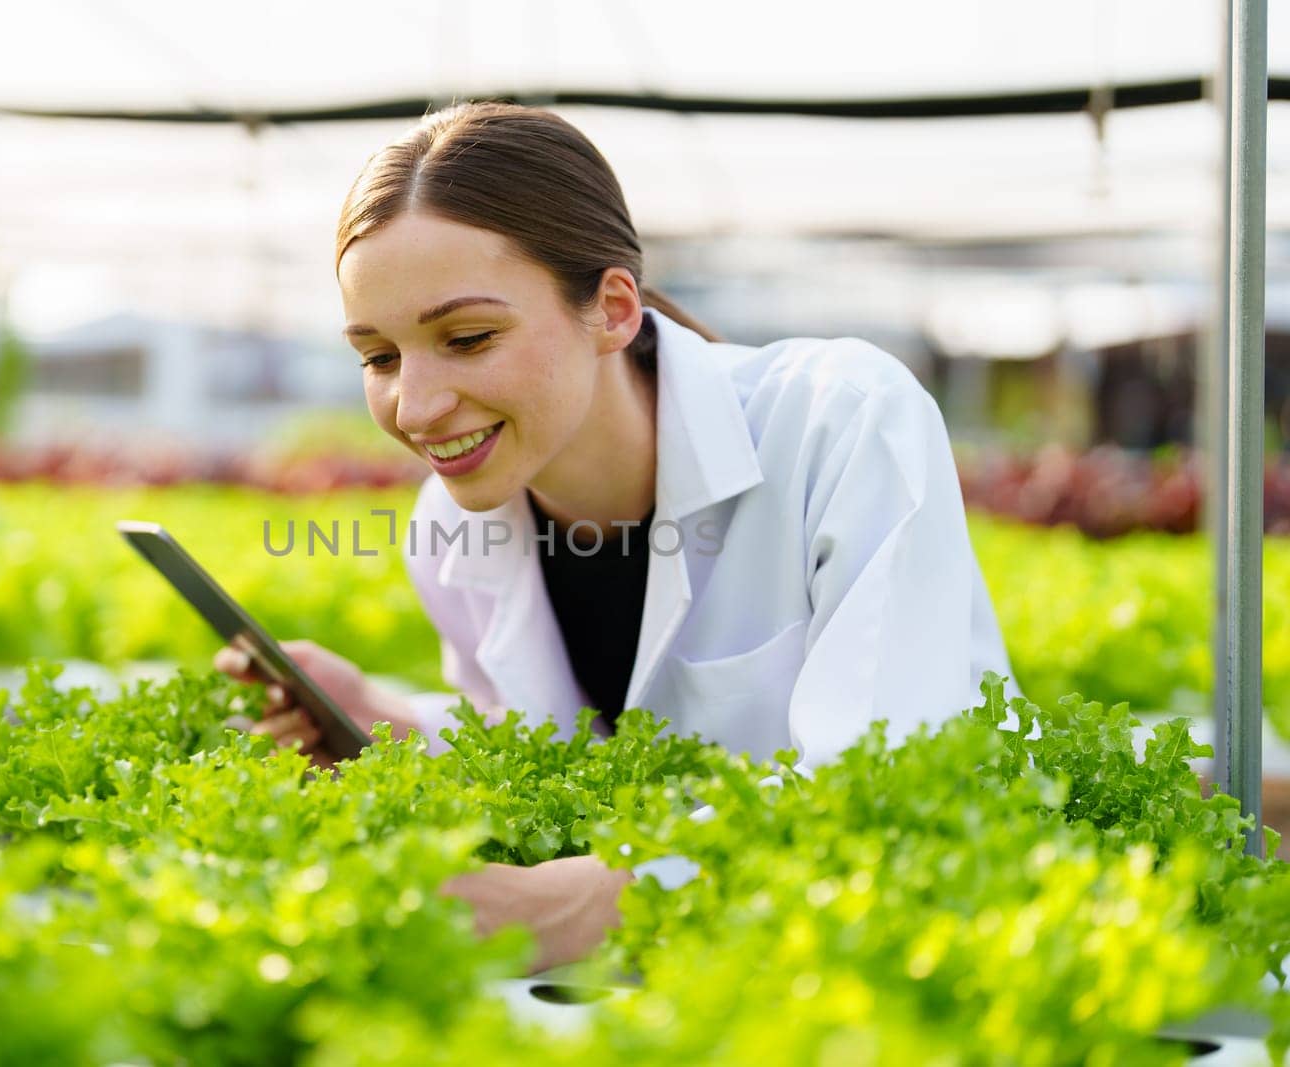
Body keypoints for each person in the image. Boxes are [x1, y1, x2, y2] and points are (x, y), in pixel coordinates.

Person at [214, 101, 1013, 975]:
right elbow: (558, 753)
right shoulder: (451, 529)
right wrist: (383, 722)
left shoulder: (841, 424)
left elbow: (893, 792)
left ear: (613, 309)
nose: (415, 406)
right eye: (380, 356)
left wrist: (576, 903)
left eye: (468, 338)